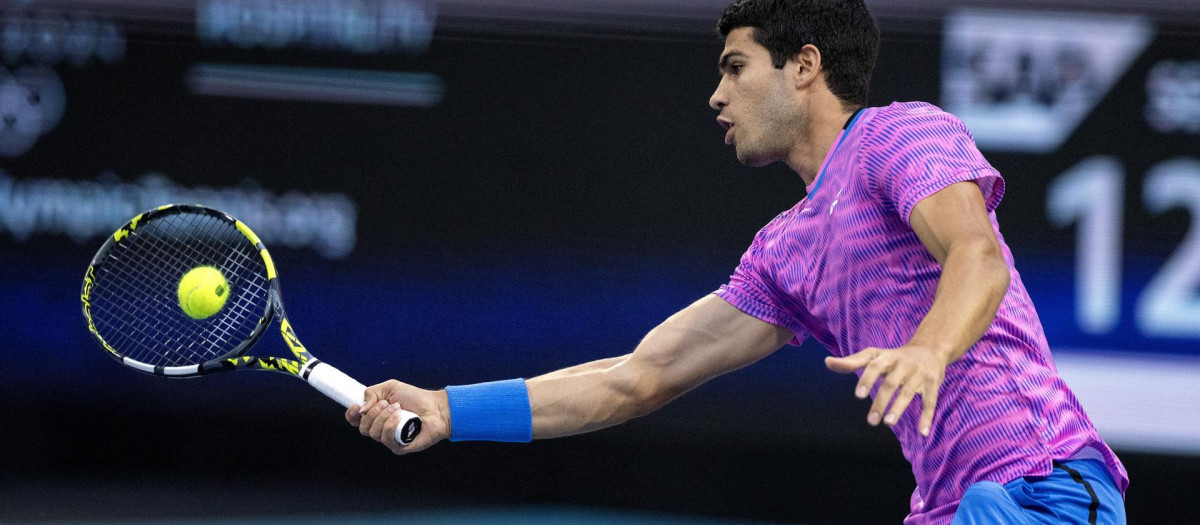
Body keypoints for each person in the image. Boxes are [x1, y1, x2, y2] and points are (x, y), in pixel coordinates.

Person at [348, 1, 1128, 523]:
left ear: (804, 65)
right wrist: (450, 409)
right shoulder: (786, 251)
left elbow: (976, 255)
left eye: (734, 67)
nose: (716, 96)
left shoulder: (900, 134)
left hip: (1043, 487)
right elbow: (638, 376)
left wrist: (928, 348)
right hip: (949, 506)